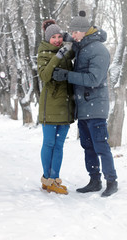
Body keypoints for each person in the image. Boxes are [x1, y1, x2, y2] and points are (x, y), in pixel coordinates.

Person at [52, 11, 118, 197]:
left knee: (100, 146)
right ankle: (94, 180)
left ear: (84, 31)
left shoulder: (98, 49)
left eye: (75, 32)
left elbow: (94, 79)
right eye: (71, 33)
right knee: (87, 146)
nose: (72, 36)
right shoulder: (81, 45)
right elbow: (70, 39)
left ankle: (111, 180)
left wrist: (67, 75)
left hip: (96, 107)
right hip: (83, 107)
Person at [37, 20, 75, 195]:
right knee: (49, 143)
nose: (57, 40)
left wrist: (70, 42)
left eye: (60, 36)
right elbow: (44, 76)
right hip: (50, 106)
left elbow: (77, 51)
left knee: (59, 145)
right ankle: (47, 178)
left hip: (65, 105)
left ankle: (55, 179)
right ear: (48, 38)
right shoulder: (43, 53)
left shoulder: (67, 51)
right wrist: (57, 56)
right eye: (54, 37)